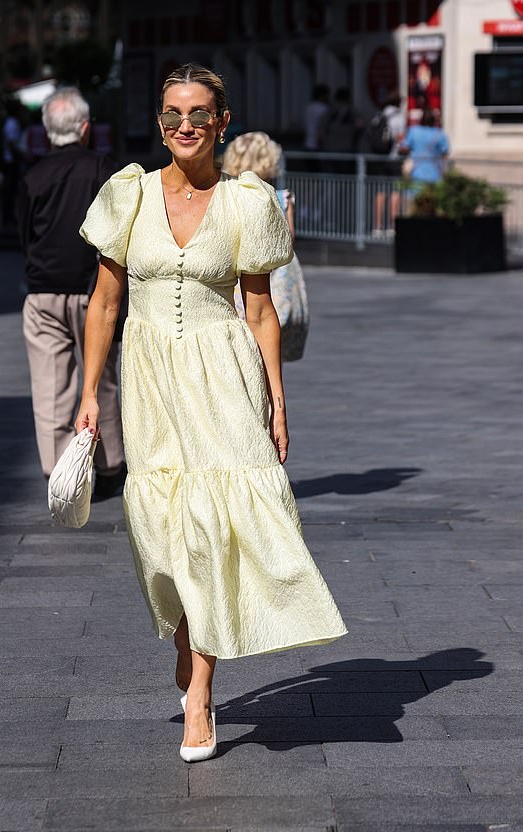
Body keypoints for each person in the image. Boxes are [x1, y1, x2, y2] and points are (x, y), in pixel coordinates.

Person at [75, 63, 347, 763]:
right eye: (172, 113)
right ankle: (189, 639)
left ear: (221, 122)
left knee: (211, 525)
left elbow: (259, 309)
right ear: (159, 122)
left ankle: (200, 694)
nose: (185, 125)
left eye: (198, 113)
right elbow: (104, 306)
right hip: (150, 381)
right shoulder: (127, 195)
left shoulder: (245, 202)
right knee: (162, 527)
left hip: (224, 374)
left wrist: (277, 402)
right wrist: (85, 401)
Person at [17, 87, 125, 493]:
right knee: (103, 378)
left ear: (47, 133)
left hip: (43, 292)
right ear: (85, 128)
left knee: (50, 385)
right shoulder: (103, 168)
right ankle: (111, 463)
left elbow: (25, 234)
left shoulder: (33, 175)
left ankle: (62, 473)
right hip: (96, 290)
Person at [222, 131, 309, 362]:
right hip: (274, 282)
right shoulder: (282, 197)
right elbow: (288, 240)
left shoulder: (228, 196)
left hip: (237, 283)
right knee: (268, 346)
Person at [371, 90, 407, 238]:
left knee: (380, 193)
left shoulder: (379, 115)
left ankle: (377, 227)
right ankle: (392, 226)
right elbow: (401, 139)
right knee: (395, 193)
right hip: (394, 159)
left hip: (380, 159)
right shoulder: (399, 117)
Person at [401, 108, 449, 187]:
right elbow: (445, 151)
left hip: (416, 172)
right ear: (434, 120)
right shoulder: (440, 133)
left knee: (415, 198)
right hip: (435, 173)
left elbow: (404, 148)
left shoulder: (413, 131)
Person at [304, 83, 330, 152]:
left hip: (308, 142)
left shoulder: (309, 107)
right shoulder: (324, 109)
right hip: (318, 143)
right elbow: (321, 128)